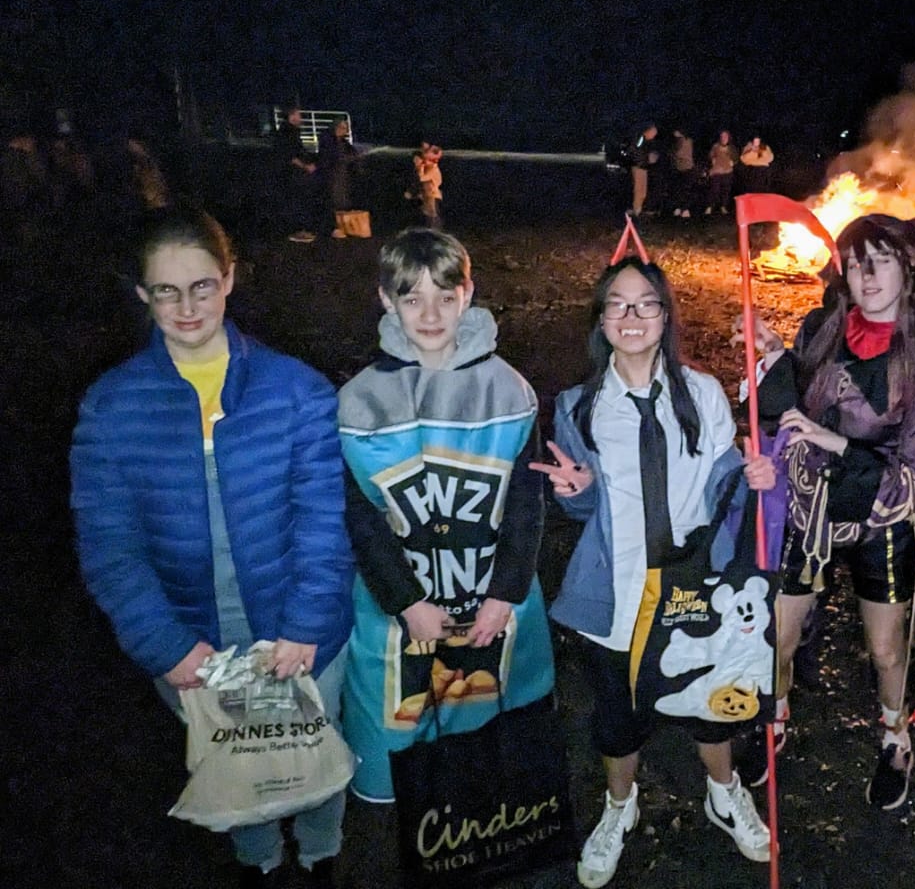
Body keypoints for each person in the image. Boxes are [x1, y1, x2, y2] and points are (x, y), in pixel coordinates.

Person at [71, 207, 355, 888]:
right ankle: (261, 861)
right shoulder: (111, 408)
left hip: (297, 633)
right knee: (230, 764)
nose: (187, 307)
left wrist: (307, 625)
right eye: (166, 291)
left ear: (228, 279)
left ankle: (320, 854)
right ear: (143, 295)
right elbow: (110, 547)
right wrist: (165, 646)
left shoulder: (297, 390)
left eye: (202, 285)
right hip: (192, 638)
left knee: (315, 756)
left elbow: (324, 519)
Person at [532, 256, 775, 888]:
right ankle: (620, 806)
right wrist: (577, 491)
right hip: (619, 591)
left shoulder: (701, 392)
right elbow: (581, 504)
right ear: (601, 319)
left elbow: (721, 482)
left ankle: (723, 793)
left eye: (646, 303)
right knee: (618, 715)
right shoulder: (578, 407)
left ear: (666, 316)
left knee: (710, 702)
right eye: (617, 303)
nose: (632, 315)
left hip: (693, 583)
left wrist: (750, 474)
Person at [733, 213, 915, 811]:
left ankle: (896, 735)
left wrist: (843, 448)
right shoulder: (822, 328)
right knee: (777, 635)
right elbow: (789, 407)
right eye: (854, 264)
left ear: (907, 270)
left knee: (886, 650)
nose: (866, 275)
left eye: (880, 261)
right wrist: (771, 354)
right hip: (809, 514)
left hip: (880, 524)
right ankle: (775, 719)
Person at [336, 228, 556, 804]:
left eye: (445, 296)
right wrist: (406, 602)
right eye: (412, 298)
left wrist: (505, 592)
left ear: (468, 295)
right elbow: (360, 518)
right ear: (387, 300)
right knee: (401, 743)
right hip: (398, 609)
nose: (430, 315)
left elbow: (526, 504)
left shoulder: (510, 392)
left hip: (490, 602)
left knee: (487, 746)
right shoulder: (360, 401)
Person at [278, 108, 320, 244]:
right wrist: (305, 166)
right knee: (297, 201)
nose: (301, 118)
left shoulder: (290, 132)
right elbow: (289, 155)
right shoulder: (288, 133)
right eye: (298, 115)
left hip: (294, 173)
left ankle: (299, 229)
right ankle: (298, 231)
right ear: (291, 117)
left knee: (299, 200)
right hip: (293, 174)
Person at [318, 119, 359, 239]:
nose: (346, 130)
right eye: (343, 127)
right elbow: (332, 157)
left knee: (342, 200)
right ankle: (332, 228)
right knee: (332, 201)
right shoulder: (328, 140)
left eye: (346, 128)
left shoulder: (343, 142)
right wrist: (349, 158)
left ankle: (342, 226)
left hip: (342, 176)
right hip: (331, 175)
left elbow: (352, 154)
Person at [625, 124, 659, 217]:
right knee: (639, 189)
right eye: (653, 132)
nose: (654, 135)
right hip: (638, 166)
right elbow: (635, 150)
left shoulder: (647, 141)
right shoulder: (640, 139)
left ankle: (638, 209)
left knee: (642, 190)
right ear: (648, 131)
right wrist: (645, 159)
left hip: (643, 166)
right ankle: (636, 210)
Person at [704, 130, 735, 215]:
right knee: (714, 189)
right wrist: (712, 159)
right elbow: (710, 156)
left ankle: (723, 207)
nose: (724, 138)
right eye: (722, 136)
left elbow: (735, 157)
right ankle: (709, 207)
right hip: (716, 171)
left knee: (725, 190)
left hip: (727, 171)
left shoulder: (731, 147)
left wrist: (733, 161)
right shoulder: (715, 146)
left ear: (728, 138)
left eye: (726, 136)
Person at [669, 128, 696, 218]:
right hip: (679, 168)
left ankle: (685, 208)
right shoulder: (678, 141)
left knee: (685, 189)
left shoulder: (685, 141)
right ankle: (679, 207)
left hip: (686, 168)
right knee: (679, 189)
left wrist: (672, 154)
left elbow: (680, 154)